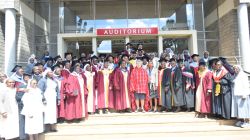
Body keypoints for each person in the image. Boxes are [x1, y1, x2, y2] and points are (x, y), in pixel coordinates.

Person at [16, 73, 32, 140]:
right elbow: (18, 97)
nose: (26, 78)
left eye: (28, 77)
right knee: (22, 121)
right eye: (25, 77)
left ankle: (30, 136)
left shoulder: (32, 85)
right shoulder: (21, 85)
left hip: (31, 106)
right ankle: (23, 137)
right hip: (23, 106)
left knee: (30, 121)